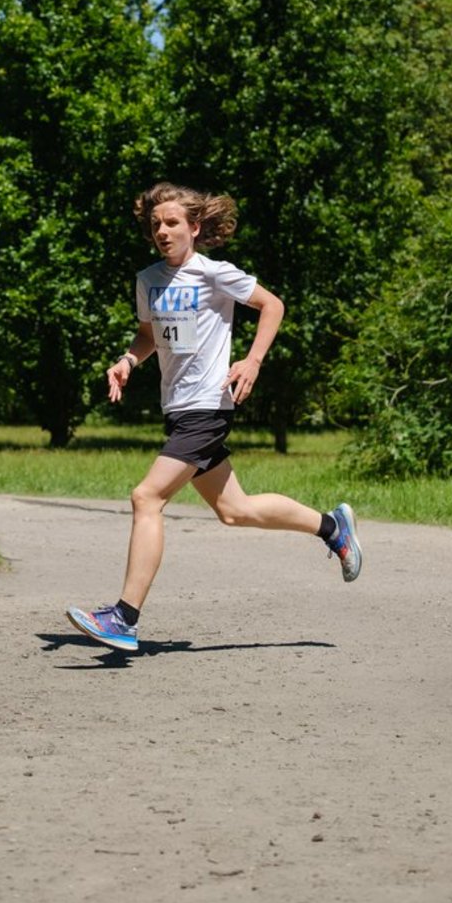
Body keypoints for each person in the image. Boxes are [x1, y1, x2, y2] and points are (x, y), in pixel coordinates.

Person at [66, 182, 362, 654]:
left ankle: (123, 618)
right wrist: (128, 361)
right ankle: (332, 527)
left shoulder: (214, 273)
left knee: (146, 497)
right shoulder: (148, 279)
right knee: (235, 510)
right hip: (178, 408)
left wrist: (253, 360)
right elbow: (148, 334)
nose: (163, 231)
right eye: (156, 224)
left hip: (208, 406)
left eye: (172, 223)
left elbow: (272, 305)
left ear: (195, 227)